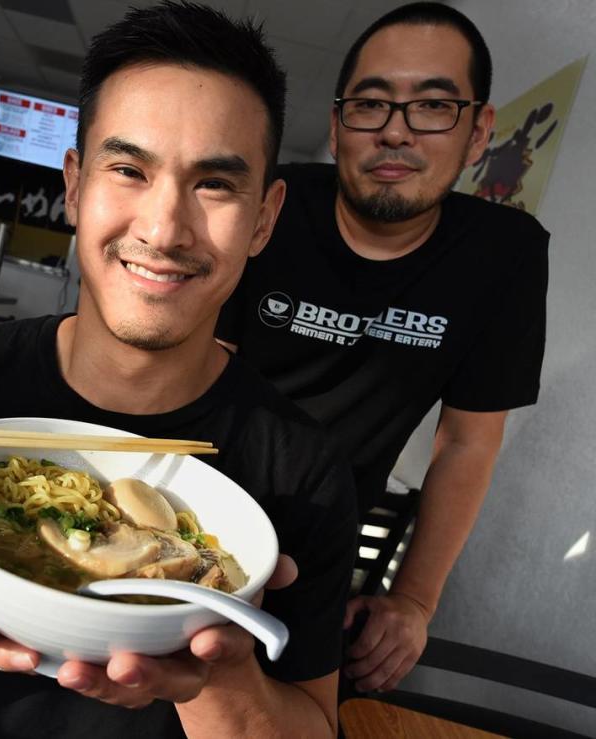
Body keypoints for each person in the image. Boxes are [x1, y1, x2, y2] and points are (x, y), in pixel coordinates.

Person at [0, 3, 358, 737]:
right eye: (128, 169)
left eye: (214, 184)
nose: (162, 229)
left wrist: (218, 676)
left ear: (264, 217)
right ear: (76, 185)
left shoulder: (303, 475)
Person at [216, 2, 549, 694]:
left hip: (322, 555)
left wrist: (415, 599)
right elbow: (190, 366)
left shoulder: (504, 257)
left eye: (433, 106)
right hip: (197, 502)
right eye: (370, 104)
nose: (395, 132)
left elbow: (467, 442)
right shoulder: (268, 204)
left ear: (479, 130)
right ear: (338, 125)